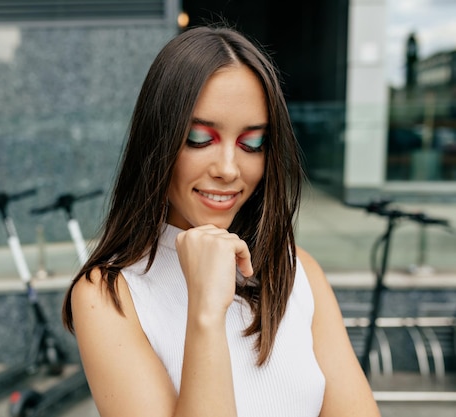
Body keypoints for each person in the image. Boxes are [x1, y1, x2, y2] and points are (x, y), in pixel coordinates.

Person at [62, 25, 380, 417]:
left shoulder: (297, 271)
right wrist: (206, 313)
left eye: (252, 144)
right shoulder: (108, 294)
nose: (229, 169)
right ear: (158, 140)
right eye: (200, 138)